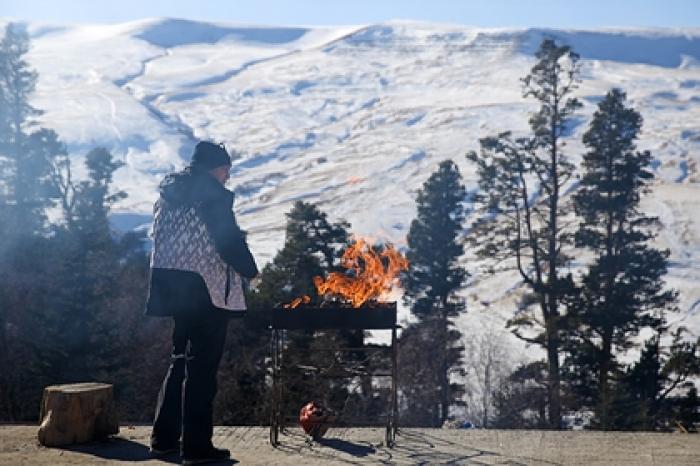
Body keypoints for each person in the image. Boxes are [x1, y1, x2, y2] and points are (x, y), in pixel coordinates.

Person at [145, 141, 258, 465]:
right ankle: (197, 448)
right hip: (205, 289)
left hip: (172, 286)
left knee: (179, 359)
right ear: (215, 168)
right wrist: (250, 270)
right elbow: (227, 241)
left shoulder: (168, 194)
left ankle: (163, 440)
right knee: (202, 368)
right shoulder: (211, 195)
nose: (227, 176)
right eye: (226, 169)